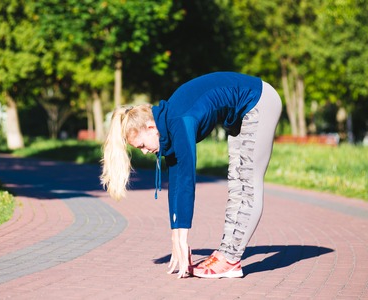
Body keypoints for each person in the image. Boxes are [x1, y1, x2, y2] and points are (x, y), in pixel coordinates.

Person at [100, 72, 282, 279]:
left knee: (247, 182)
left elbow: (187, 177)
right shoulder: (167, 128)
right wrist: (175, 235)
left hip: (258, 101)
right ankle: (226, 254)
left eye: (142, 145)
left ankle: (230, 259)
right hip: (241, 111)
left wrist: (183, 238)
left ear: (151, 128)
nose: (144, 151)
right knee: (236, 184)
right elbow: (176, 183)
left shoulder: (179, 120)